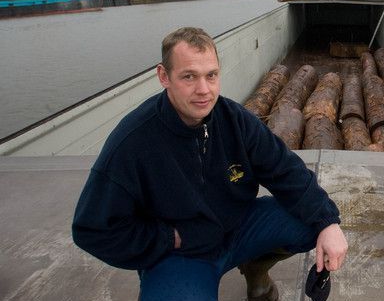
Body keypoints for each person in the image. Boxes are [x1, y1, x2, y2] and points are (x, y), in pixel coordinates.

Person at [73, 27, 348, 301]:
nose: (203, 90)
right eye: (189, 77)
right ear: (163, 76)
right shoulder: (133, 142)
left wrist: (328, 223)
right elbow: (93, 229)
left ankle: (256, 267)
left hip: (239, 230)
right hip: (183, 254)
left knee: (313, 220)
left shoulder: (234, 119)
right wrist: (167, 239)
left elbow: (286, 171)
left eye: (211, 76)